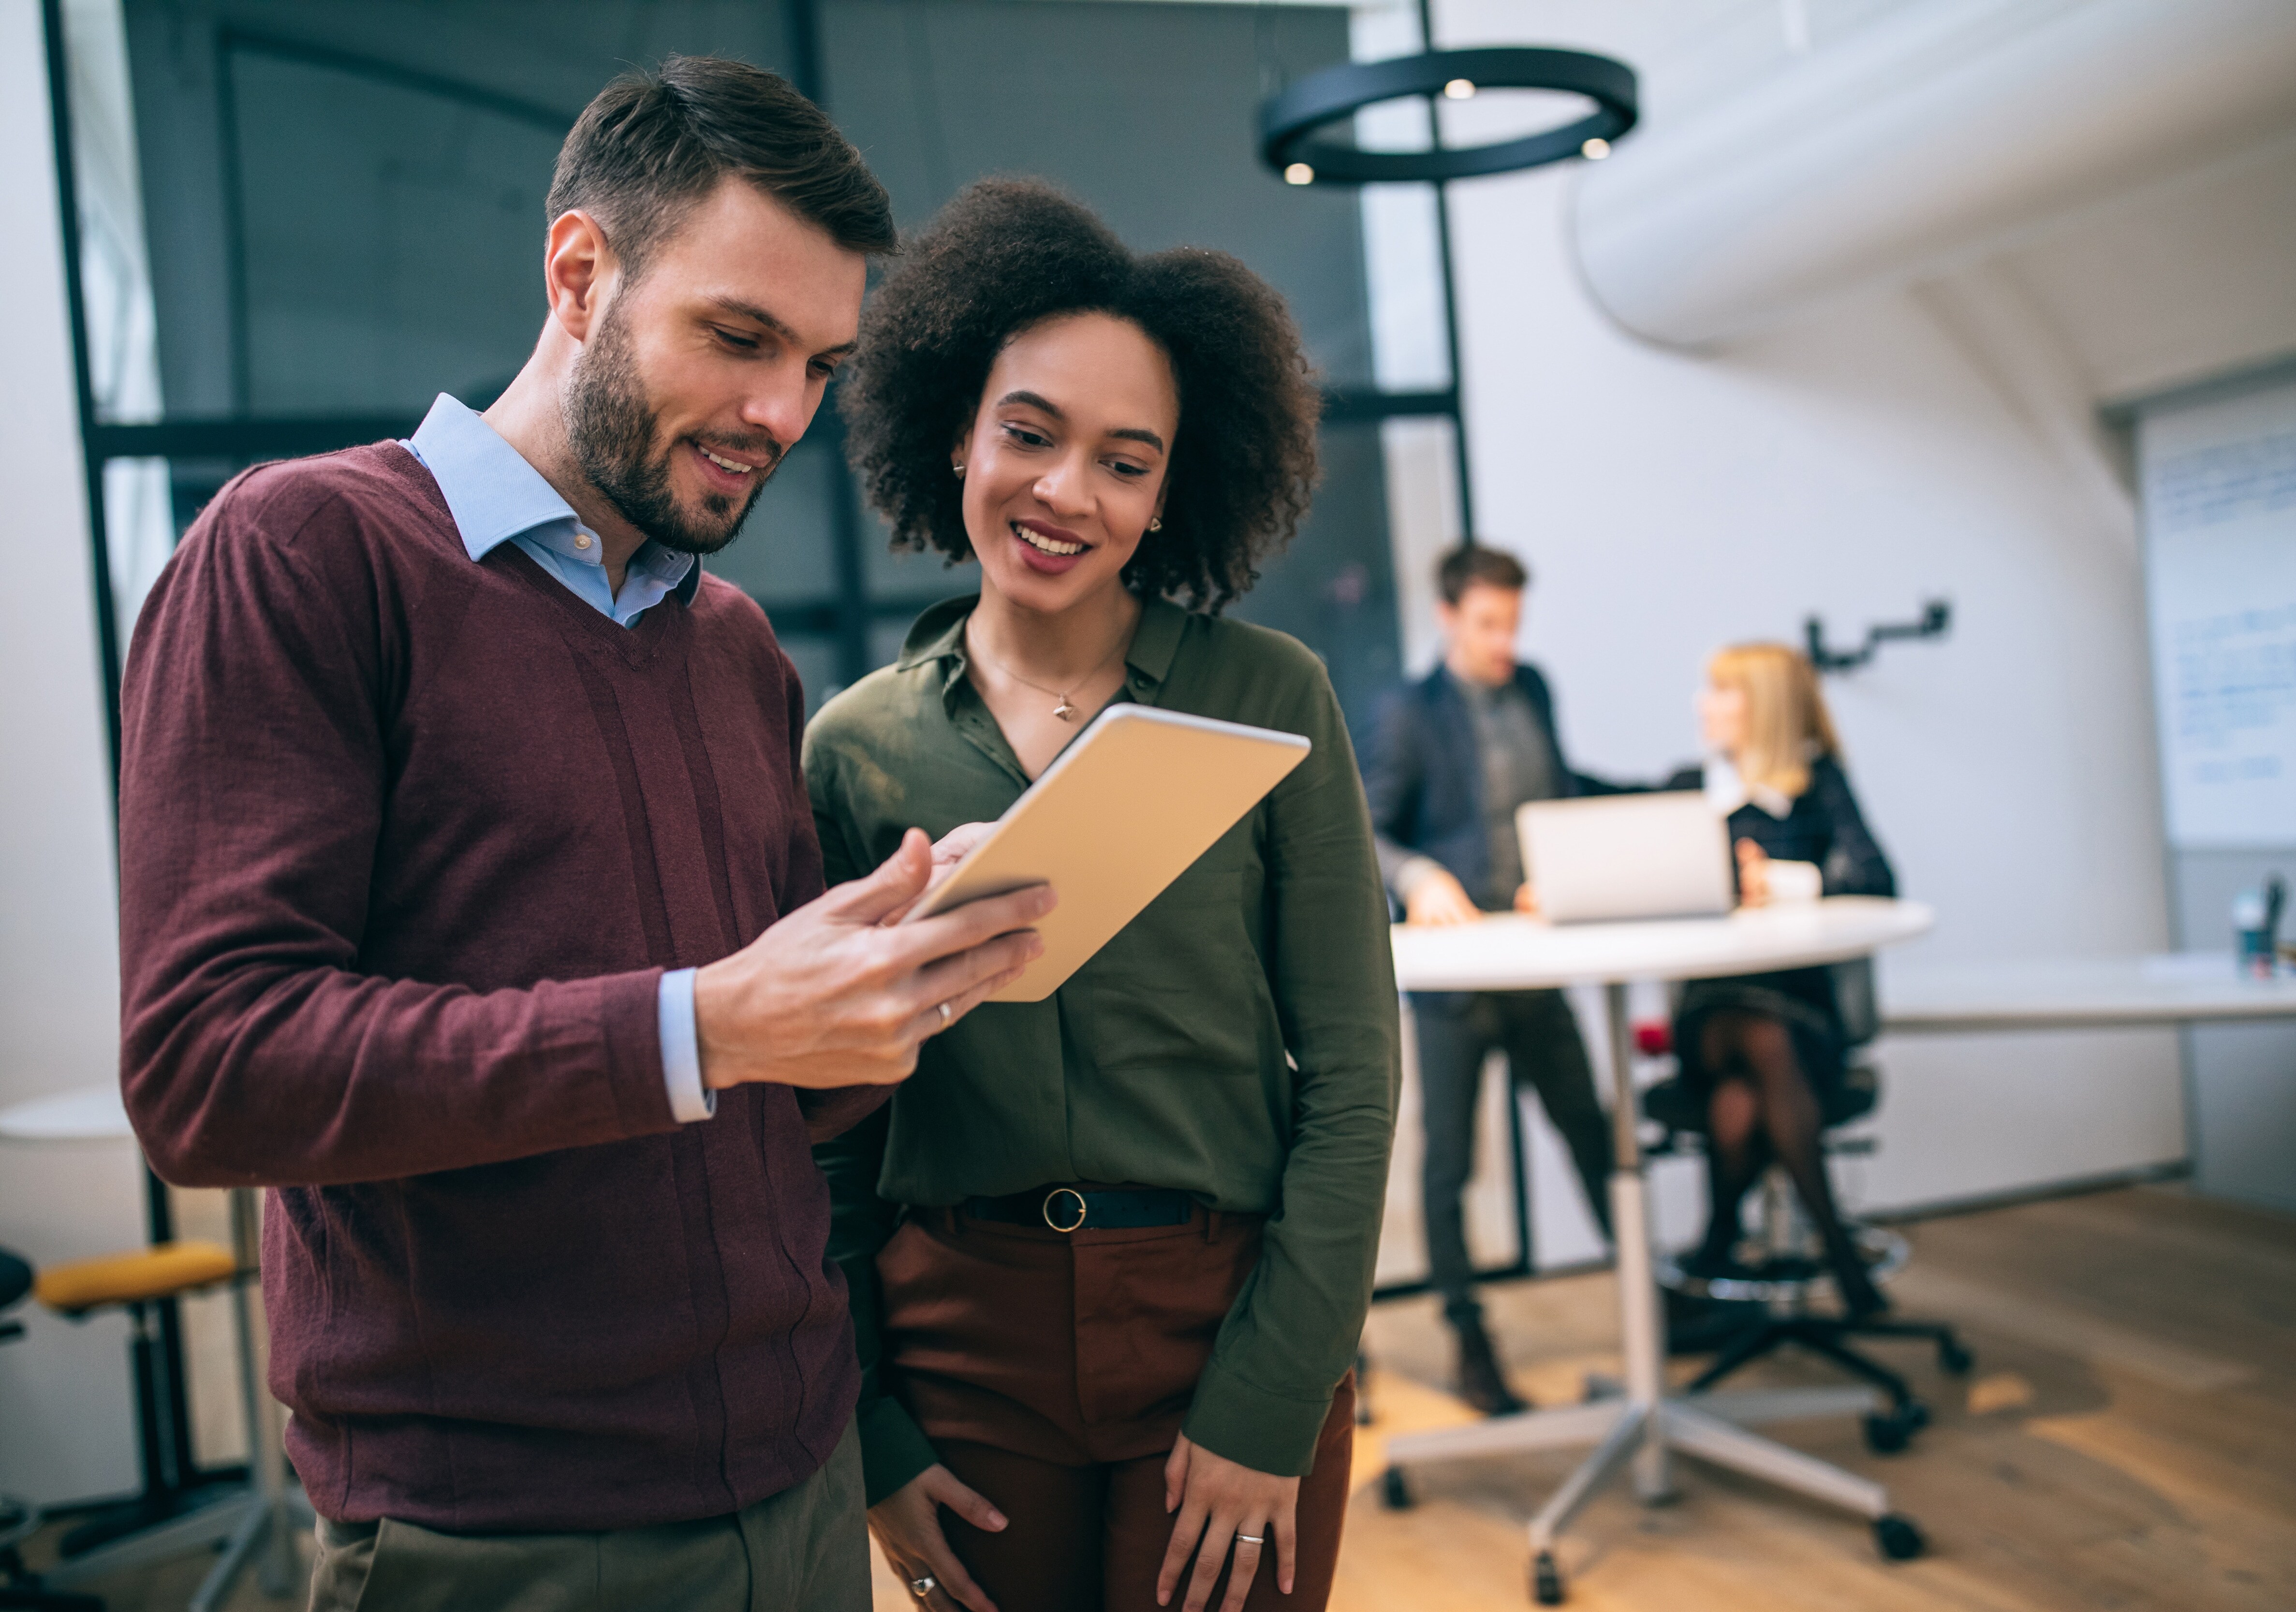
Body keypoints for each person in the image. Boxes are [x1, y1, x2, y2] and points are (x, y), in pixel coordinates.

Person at [115, 59, 1056, 1612]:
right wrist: (704, 1022)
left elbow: (757, 1092)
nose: (781, 413)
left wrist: (879, 1004)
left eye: (820, 362)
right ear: (578, 274)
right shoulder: (306, 552)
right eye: (738, 338)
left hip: (802, 1481)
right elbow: (210, 1069)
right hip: (505, 1530)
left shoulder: (737, 645)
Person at [809, 180, 1397, 1612]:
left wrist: (1274, 1392)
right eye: (1029, 432)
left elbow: (1355, 1075)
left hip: (1230, 1321)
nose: (1067, 492)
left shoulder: (1273, 696)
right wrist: (869, 1425)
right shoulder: (855, 746)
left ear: (1168, 494)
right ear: (958, 427)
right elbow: (820, 1127)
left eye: (1125, 463)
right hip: (963, 1340)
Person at [1360, 545, 1616, 1417]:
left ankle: (1653, 1301)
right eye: (1489, 623)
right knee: (1450, 1166)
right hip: (1456, 979)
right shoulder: (1407, 713)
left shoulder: (1534, 690)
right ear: (1449, 616)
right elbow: (1368, 828)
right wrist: (1421, 877)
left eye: (1514, 623)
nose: (1506, 641)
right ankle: (1469, 1337)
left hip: (1534, 962)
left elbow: (1565, 789)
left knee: (1590, 1127)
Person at [1667, 642, 1897, 1316]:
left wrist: (1787, 881)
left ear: (1760, 705)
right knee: (1754, 1039)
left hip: (1805, 1018)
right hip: (1710, 1016)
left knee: (1743, 1098)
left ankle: (1713, 1248)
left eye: (1720, 691)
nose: (1701, 705)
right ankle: (1840, 1251)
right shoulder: (1692, 788)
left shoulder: (1816, 784)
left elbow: (1878, 877)